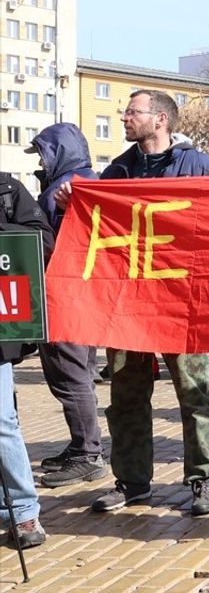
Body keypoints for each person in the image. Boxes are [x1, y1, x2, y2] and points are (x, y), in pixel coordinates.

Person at [61, 90, 209, 517]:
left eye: (132, 112)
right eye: (125, 111)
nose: (124, 118)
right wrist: (73, 205)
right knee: (126, 394)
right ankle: (132, 482)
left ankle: (202, 480)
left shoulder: (197, 166)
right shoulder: (117, 171)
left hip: (183, 304)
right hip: (128, 306)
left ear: (161, 120)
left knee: (194, 392)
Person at [26, 123, 107, 488]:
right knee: (80, 375)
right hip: (81, 297)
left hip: (64, 298)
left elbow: (59, 243)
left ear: (59, 151)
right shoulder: (84, 180)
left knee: (70, 377)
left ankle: (88, 454)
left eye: (43, 154)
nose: (39, 163)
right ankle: (81, 446)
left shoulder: (70, 186)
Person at [0, 169, 55, 547]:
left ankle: (22, 512)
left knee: (1, 422)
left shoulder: (7, 189)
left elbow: (41, 241)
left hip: (0, 324)